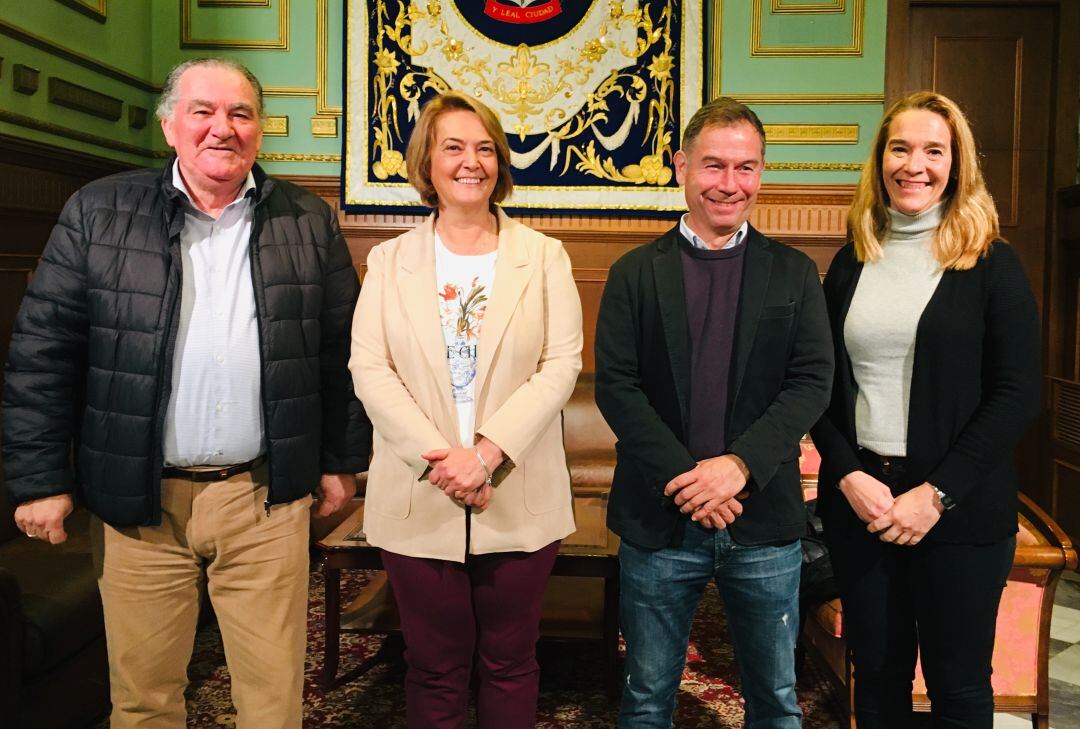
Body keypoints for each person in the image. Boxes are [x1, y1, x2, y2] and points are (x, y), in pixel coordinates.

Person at [2, 58, 371, 729]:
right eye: (203, 111)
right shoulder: (97, 212)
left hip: (264, 499)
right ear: (170, 124)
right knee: (143, 702)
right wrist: (38, 478)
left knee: (272, 702)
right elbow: (41, 353)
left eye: (240, 114)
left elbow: (340, 353)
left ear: (260, 131)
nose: (221, 128)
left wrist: (340, 459)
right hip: (139, 502)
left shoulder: (308, 220)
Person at [594, 97, 834, 728]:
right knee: (646, 700)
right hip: (658, 518)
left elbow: (812, 382)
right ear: (681, 167)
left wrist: (736, 468)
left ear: (761, 173)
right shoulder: (633, 273)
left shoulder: (794, 272)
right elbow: (617, 389)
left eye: (746, 167)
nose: (730, 184)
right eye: (714, 165)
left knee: (776, 702)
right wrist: (689, 479)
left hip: (763, 522)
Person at [349, 91, 583, 729]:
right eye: (453, 147)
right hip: (419, 494)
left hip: (517, 491)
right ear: (427, 164)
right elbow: (370, 369)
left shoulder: (544, 257)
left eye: (484, 147)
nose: (470, 161)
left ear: (500, 162)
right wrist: (442, 462)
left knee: (511, 661)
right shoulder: (388, 261)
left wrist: (484, 455)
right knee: (432, 665)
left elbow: (560, 365)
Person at [810, 91, 1041, 728]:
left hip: (959, 512)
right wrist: (849, 474)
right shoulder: (854, 260)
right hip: (864, 506)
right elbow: (818, 384)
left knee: (958, 688)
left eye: (933, 150)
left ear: (956, 163)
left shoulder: (993, 263)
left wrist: (935, 494)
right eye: (900, 148)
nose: (915, 165)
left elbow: (1018, 393)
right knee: (876, 684)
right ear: (879, 161)